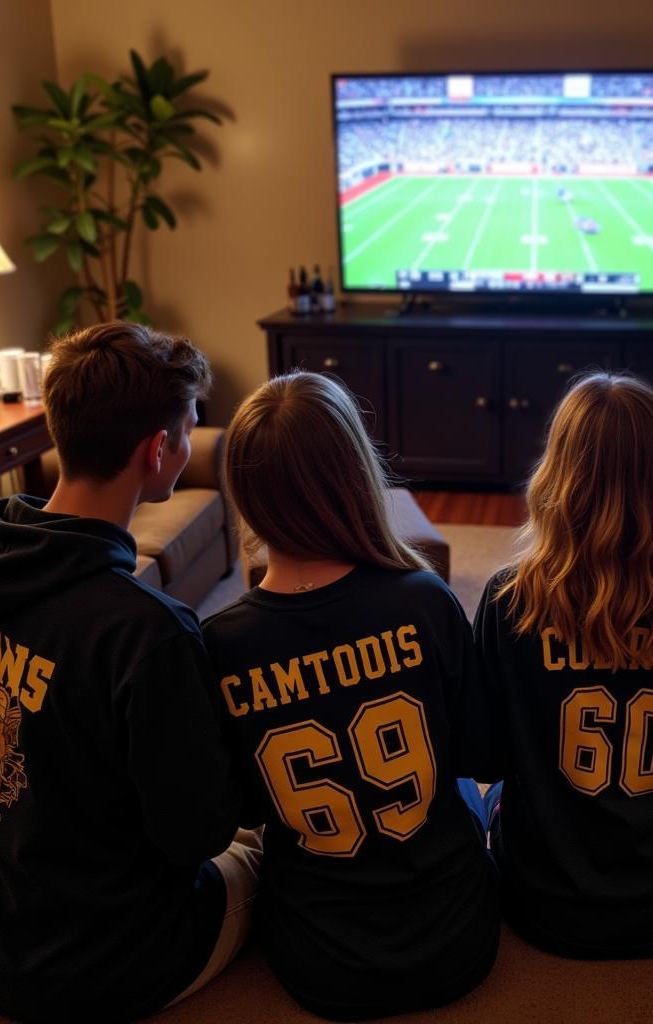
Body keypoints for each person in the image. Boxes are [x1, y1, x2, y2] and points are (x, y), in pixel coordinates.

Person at [0, 321, 261, 1023]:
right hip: (103, 967)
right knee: (270, 851)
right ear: (158, 451)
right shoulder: (147, 632)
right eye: (187, 430)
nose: (187, 445)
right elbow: (196, 837)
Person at [202, 371, 499, 1021]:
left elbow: (242, 807)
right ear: (356, 474)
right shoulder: (426, 600)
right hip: (459, 941)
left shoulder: (218, 642)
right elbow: (482, 752)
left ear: (244, 494)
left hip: (319, 962)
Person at [474, 372, 653, 958]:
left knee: (479, 795)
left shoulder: (506, 599)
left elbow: (483, 756)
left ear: (556, 475)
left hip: (539, 902)